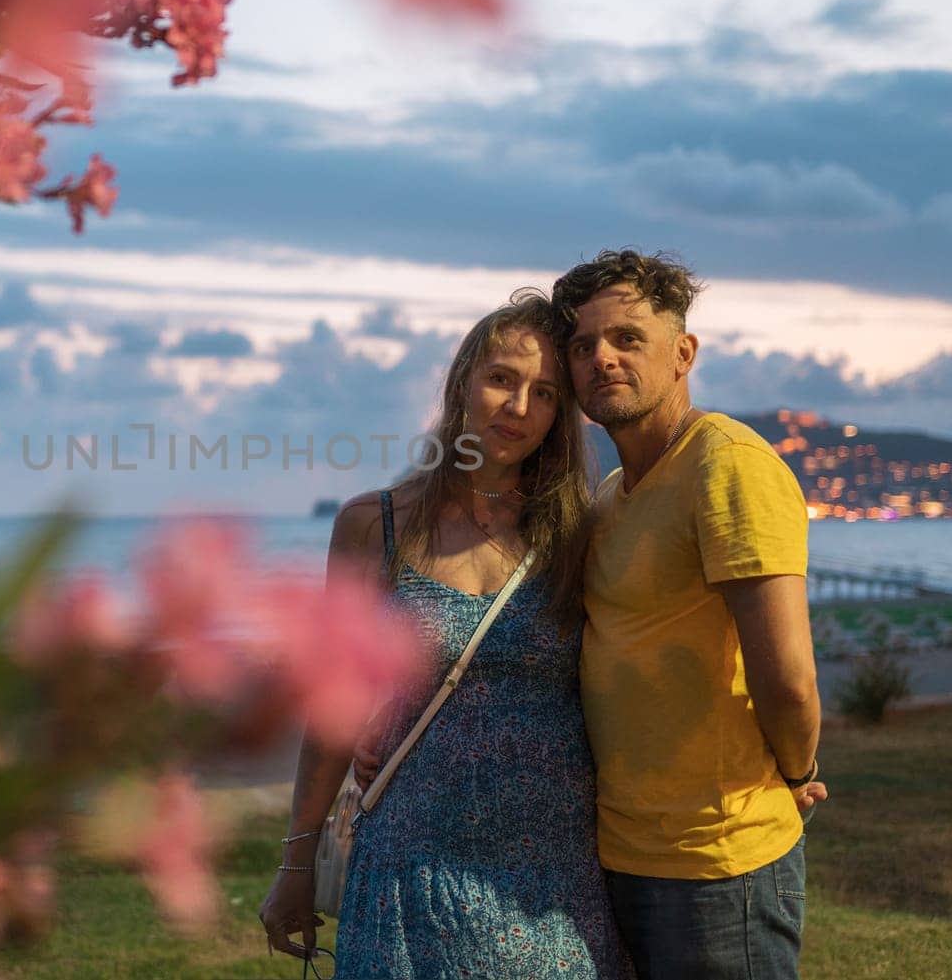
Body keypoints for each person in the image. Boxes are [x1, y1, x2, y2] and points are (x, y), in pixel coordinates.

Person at [258, 291, 633, 979]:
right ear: (462, 381)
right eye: (502, 379)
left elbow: (638, 663)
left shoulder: (579, 534)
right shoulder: (374, 525)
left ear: (560, 416)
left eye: (545, 392)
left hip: (553, 885)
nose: (519, 406)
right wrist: (296, 861)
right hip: (410, 878)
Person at [549, 249, 825, 980]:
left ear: (683, 353)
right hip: (622, 853)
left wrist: (798, 771)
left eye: (626, 338)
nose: (602, 358)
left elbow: (789, 679)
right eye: (582, 346)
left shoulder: (726, 463)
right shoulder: (611, 496)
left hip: (718, 862)